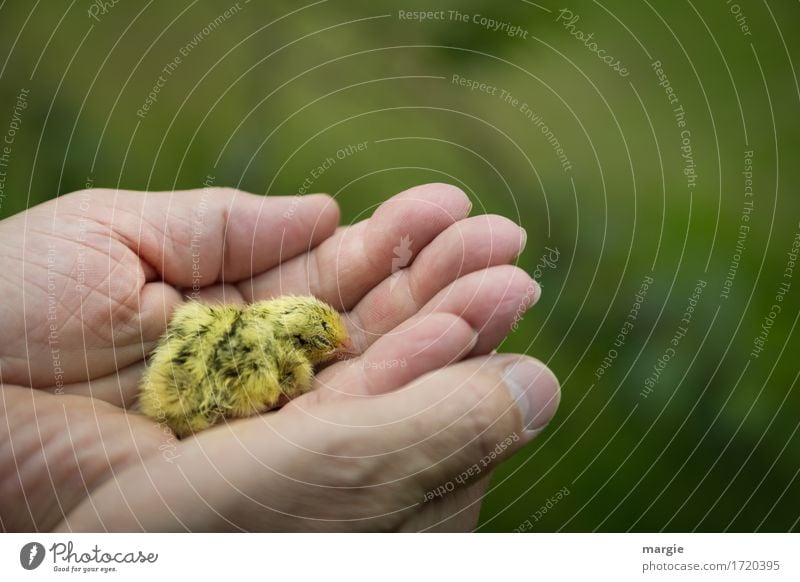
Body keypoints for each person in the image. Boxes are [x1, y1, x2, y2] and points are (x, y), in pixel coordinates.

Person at [0, 182, 559, 531]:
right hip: (193, 403)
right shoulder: (275, 356)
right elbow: (276, 377)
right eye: (326, 346)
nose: (336, 351)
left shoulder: (233, 319)